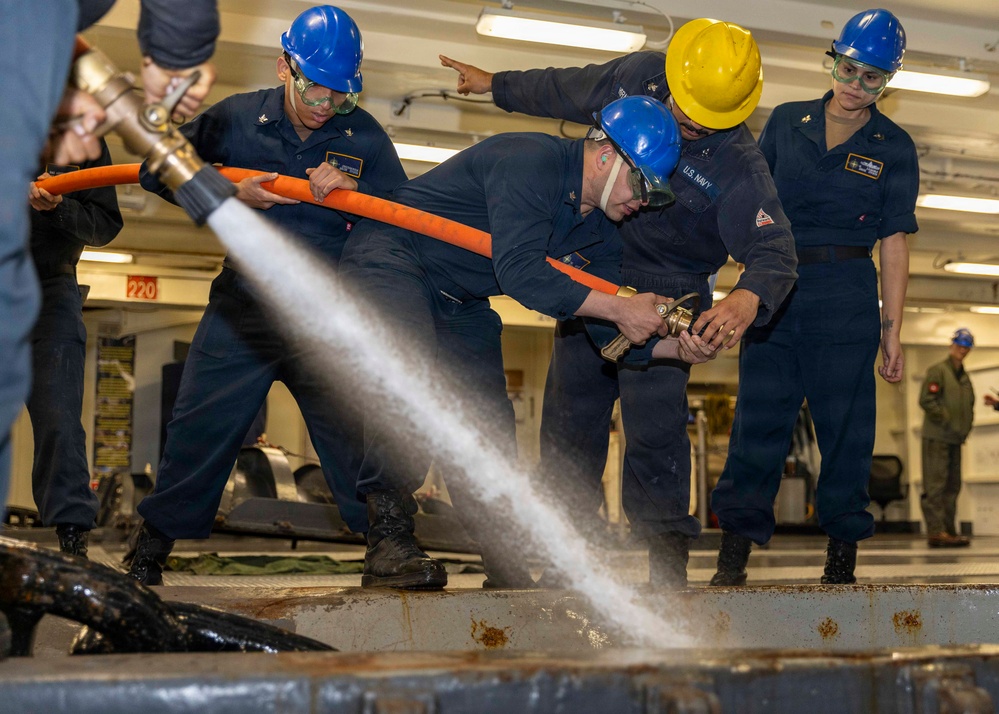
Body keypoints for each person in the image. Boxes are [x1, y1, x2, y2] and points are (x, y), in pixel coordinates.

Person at [440, 18, 797, 587]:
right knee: (568, 421)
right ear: (673, 79)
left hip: (673, 288)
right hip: (594, 265)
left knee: (655, 429)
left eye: (705, 124)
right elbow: (566, 87)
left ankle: (664, 560)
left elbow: (775, 248)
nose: (689, 129)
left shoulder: (739, 165)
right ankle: (561, 555)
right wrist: (496, 85)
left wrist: (747, 296)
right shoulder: (637, 77)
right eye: (684, 113)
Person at [339, 95, 687, 590]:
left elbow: (609, 328)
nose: (642, 203)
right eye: (641, 185)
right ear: (608, 156)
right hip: (393, 257)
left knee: (487, 424)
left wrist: (677, 348)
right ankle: (388, 540)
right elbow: (521, 272)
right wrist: (618, 306)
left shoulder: (601, 235)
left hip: (459, 295)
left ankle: (501, 554)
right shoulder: (529, 161)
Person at [125, 5, 408, 585]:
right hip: (244, 308)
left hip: (327, 314)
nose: (327, 107)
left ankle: (388, 546)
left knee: (358, 429)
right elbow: (157, 168)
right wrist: (226, 192)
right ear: (285, 67)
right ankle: (149, 550)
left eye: (341, 97)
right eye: (317, 92)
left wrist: (359, 195)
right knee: (200, 425)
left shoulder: (367, 138)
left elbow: (405, 221)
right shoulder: (234, 118)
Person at [709, 9, 918, 585]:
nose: (855, 86)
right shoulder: (787, 120)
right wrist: (742, 278)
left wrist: (891, 329)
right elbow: (751, 197)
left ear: (888, 82)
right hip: (777, 290)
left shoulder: (894, 146)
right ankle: (733, 557)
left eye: (872, 78)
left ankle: (841, 558)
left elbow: (895, 242)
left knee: (847, 431)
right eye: (849, 69)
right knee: (758, 424)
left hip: (848, 296)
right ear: (833, 59)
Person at [27, 141, 123, 558]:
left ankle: (72, 536)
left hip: (49, 289)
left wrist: (58, 208)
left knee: (59, 416)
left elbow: (104, 224)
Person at [919, 328, 976, 548]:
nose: (962, 350)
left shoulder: (964, 377)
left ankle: (949, 531)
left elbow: (968, 405)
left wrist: (964, 427)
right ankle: (936, 531)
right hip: (937, 437)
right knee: (935, 485)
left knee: (953, 486)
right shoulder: (938, 371)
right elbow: (927, 400)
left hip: (955, 439)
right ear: (951, 345)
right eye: (960, 345)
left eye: (966, 347)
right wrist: (946, 420)